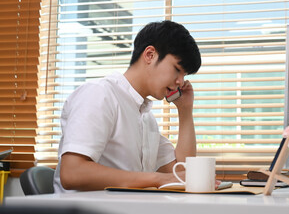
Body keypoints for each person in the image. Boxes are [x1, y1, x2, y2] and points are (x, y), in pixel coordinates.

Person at [53, 20, 202, 193]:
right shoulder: (100, 94)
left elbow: (180, 173)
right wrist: (157, 179)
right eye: (177, 69)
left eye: (184, 75)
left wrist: (185, 110)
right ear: (150, 55)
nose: (180, 82)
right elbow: (72, 173)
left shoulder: (146, 119)